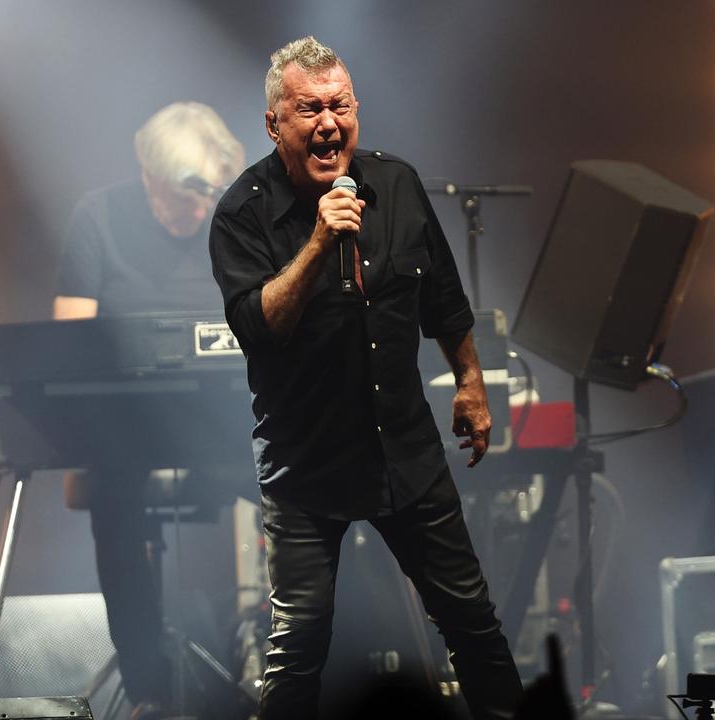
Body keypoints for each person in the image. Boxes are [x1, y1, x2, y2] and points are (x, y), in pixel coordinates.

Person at [208, 37, 524, 720]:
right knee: (298, 647)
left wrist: (469, 380)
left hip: (405, 453)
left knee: (473, 622)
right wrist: (320, 242)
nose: (328, 123)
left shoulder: (398, 185)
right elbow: (260, 326)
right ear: (274, 125)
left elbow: (442, 297)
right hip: (306, 464)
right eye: (308, 109)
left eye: (339, 106)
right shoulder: (243, 213)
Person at [54, 101, 245, 719]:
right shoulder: (98, 218)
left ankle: (307, 668)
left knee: (315, 475)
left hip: (224, 424)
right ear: (147, 174)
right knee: (115, 495)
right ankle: (148, 690)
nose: (197, 211)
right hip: (126, 430)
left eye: (206, 197)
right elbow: (70, 342)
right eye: (183, 197)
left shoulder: (234, 223)